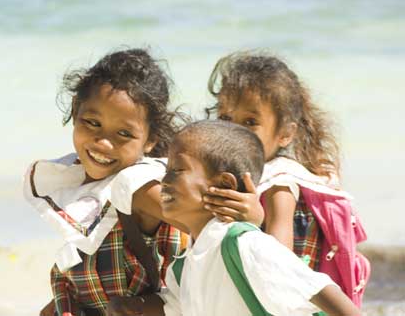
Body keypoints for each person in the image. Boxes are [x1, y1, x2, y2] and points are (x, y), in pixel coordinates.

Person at [23, 49, 264, 316]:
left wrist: (248, 217)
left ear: (149, 140)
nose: (103, 142)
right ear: (74, 112)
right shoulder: (71, 175)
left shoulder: (138, 187)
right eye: (92, 123)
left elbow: (205, 224)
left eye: (124, 133)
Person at [203, 52, 370, 307]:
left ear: (285, 134)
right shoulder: (231, 174)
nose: (233, 131)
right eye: (225, 118)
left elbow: (279, 257)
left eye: (250, 122)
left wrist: (253, 220)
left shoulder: (279, 181)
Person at [156, 120, 360, 316]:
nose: (164, 181)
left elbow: (324, 292)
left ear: (225, 184)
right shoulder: (182, 268)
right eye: (166, 170)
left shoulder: (245, 244)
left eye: (177, 170)